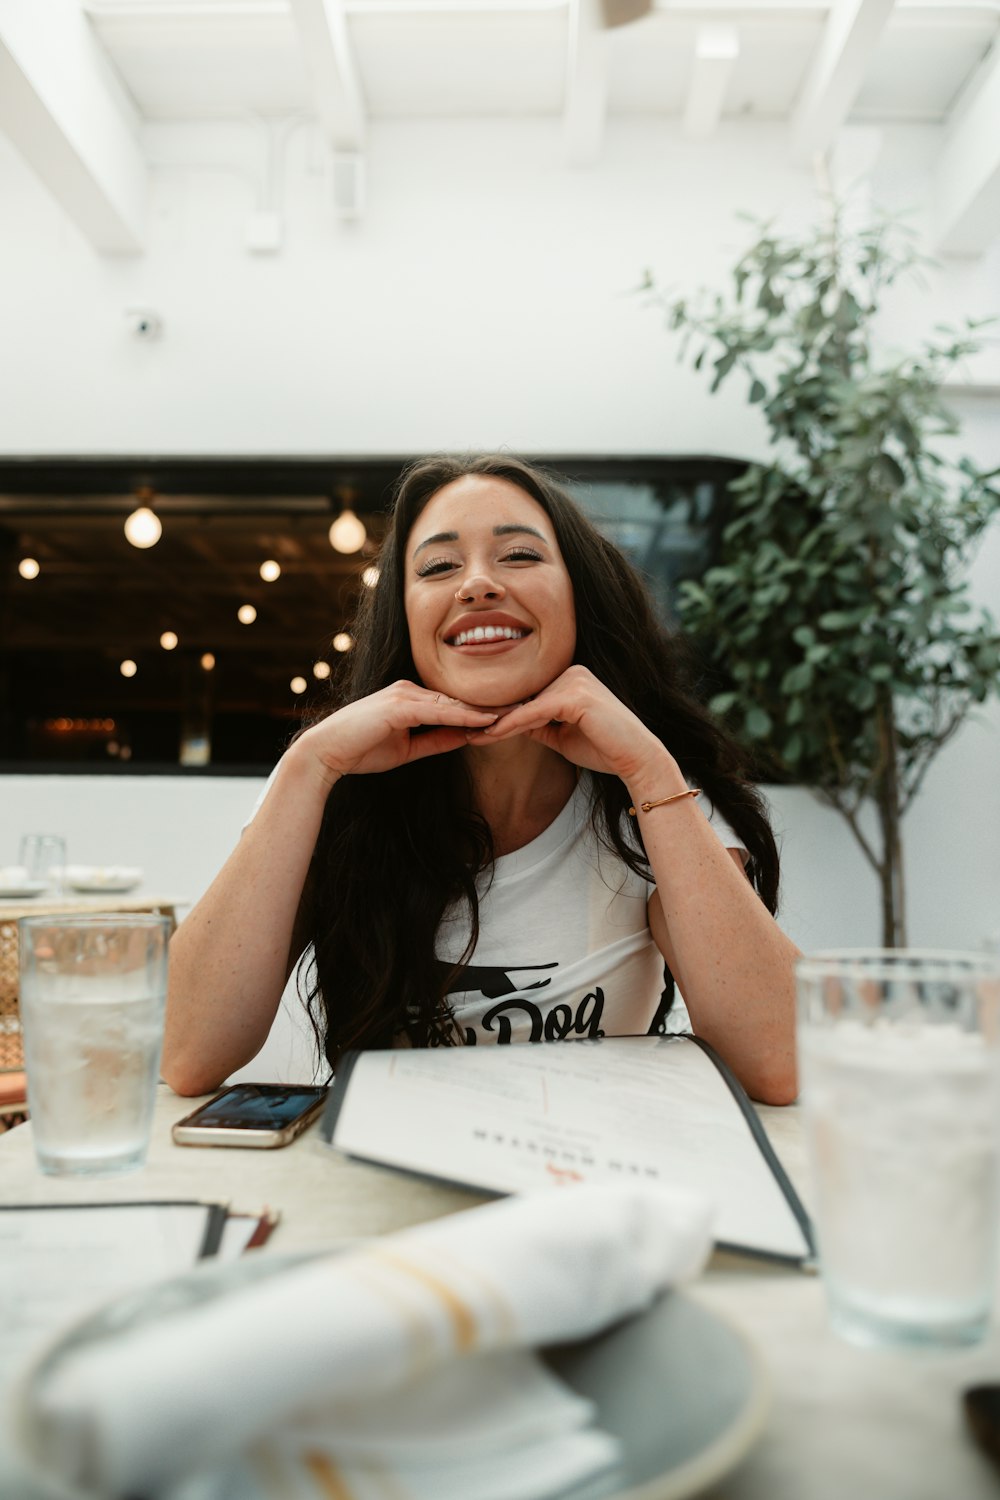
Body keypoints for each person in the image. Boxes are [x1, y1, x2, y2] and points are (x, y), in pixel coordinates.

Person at [163, 455, 799, 1104]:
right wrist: (308, 765)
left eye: (519, 556)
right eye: (438, 567)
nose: (476, 584)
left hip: (586, 1180)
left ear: (577, 596)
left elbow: (780, 1061)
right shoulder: (331, 783)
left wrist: (647, 767)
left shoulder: (656, 793)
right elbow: (188, 1054)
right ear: (406, 621)